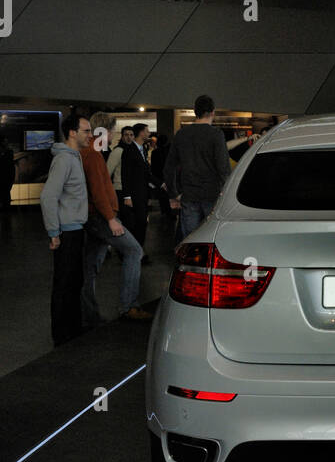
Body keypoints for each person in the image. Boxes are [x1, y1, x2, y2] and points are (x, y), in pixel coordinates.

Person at [80, 113, 151, 325]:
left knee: (90, 266)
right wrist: (111, 217)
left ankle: (89, 314)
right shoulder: (93, 154)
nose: (112, 137)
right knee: (134, 250)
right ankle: (128, 306)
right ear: (105, 131)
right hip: (101, 217)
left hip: (95, 216)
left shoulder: (89, 152)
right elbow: (98, 190)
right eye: (112, 132)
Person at [41, 114, 91, 346]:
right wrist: (54, 232)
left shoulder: (74, 157)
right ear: (72, 132)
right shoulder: (64, 160)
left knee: (73, 282)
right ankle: (61, 335)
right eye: (86, 131)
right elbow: (48, 196)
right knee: (64, 283)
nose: (90, 135)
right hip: (67, 232)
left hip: (76, 229)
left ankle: (71, 329)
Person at [163, 94, 231, 244]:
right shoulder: (216, 135)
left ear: (195, 112)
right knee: (212, 238)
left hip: (189, 194)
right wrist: (226, 192)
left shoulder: (182, 134)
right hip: (212, 194)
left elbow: (169, 167)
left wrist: (174, 194)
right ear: (213, 112)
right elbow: (223, 167)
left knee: (190, 239)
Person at [120, 122, 154, 254]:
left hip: (142, 193)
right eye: (147, 131)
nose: (149, 133)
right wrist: (127, 196)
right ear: (141, 133)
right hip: (134, 195)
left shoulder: (143, 150)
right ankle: (135, 251)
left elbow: (146, 173)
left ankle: (139, 251)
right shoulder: (129, 150)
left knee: (142, 223)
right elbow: (125, 174)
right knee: (137, 224)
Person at [0, 137, 16, 210]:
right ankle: (4, 201)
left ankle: (5, 200)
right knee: (4, 186)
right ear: (2, 142)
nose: (6, 142)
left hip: (8, 170)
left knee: (6, 186)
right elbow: (2, 154)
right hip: (5, 170)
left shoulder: (4, 149)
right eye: (5, 141)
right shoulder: (0, 148)